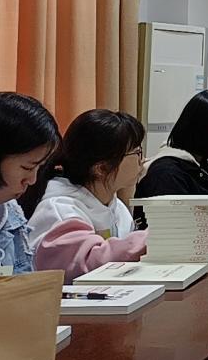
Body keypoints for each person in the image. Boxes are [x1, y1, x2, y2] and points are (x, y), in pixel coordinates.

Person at [26, 110, 148, 282]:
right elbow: (85, 264)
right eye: (136, 152)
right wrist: (158, 237)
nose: (142, 160)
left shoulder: (116, 206)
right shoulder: (60, 209)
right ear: (101, 168)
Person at [0, 92, 60, 273]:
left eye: (38, 168)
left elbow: (23, 283)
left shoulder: (9, 212)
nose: (31, 180)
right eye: (27, 167)